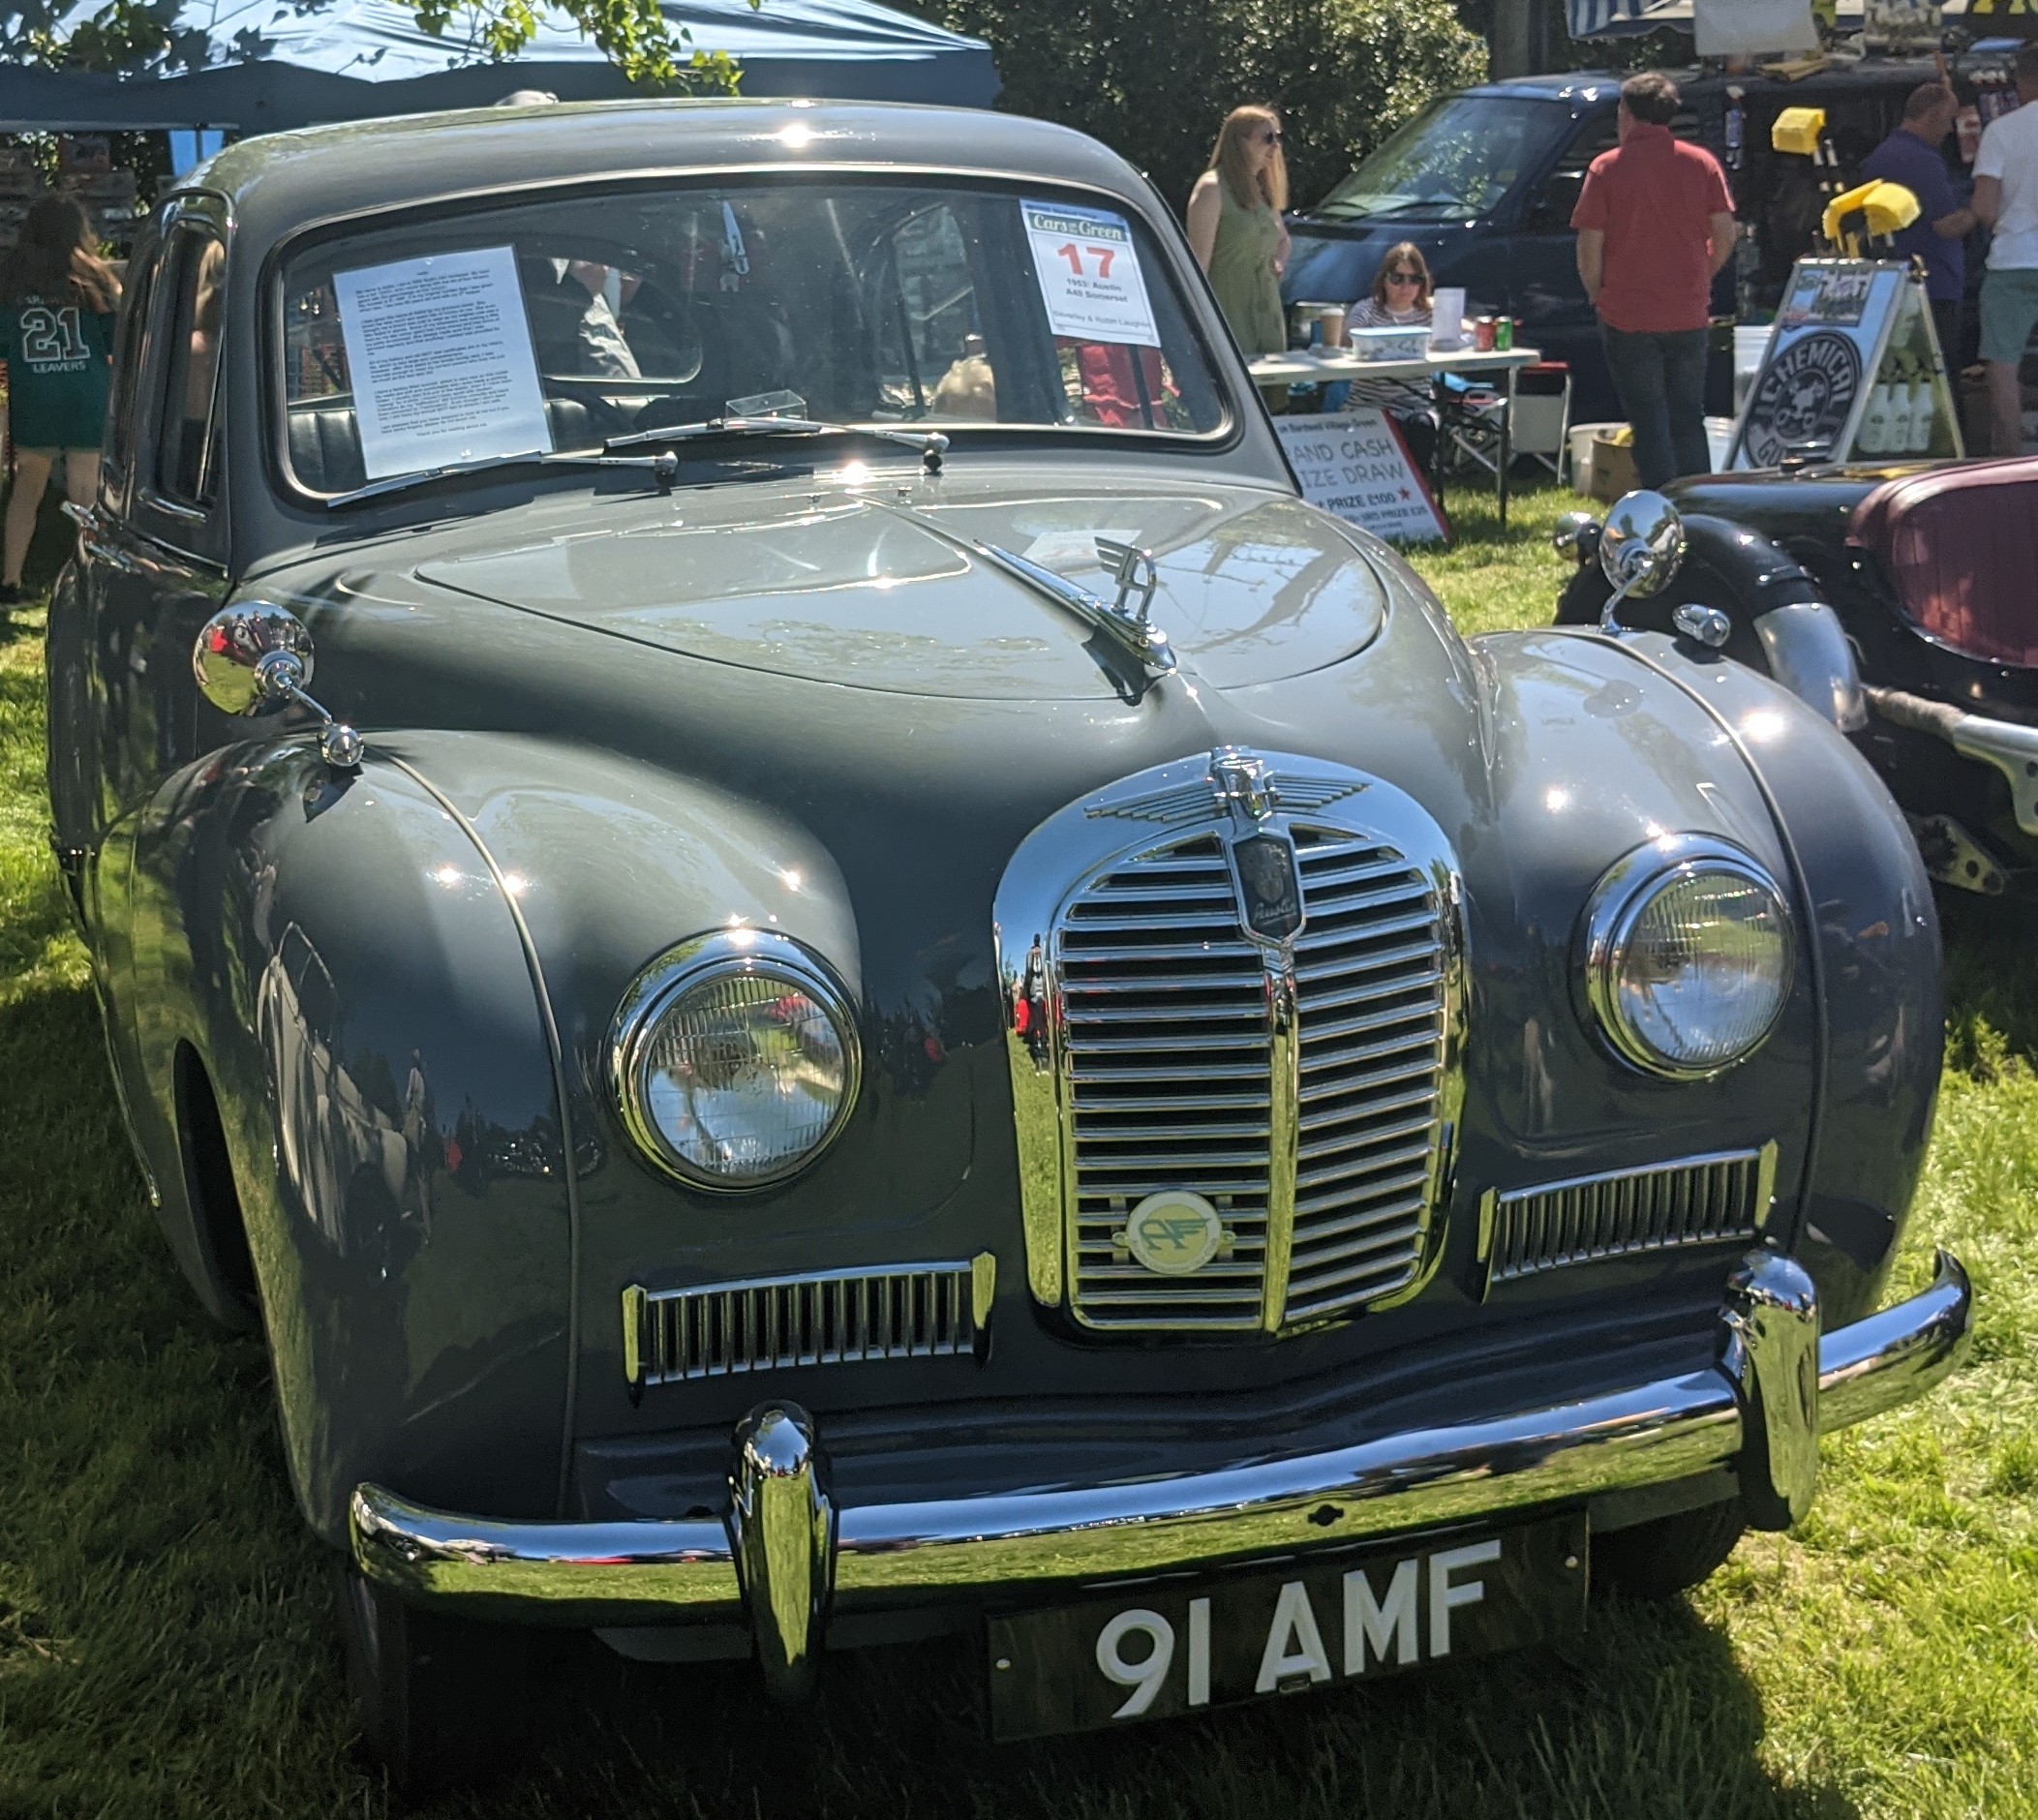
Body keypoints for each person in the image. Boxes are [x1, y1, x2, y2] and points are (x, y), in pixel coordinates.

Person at [1571, 71, 1736, 489]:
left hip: (1628, 313)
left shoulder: (1606, 168)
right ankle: (1700, 500)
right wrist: (1704, 271)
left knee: (1648, 417)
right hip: (1688, 310)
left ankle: (1662, 501)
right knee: (1688, 416)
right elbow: (1725, 232)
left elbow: (1590, 243)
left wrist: (1596, 292)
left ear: (1626, 112)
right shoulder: (1702, 164)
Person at [0, 194, 120, 611]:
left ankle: (10, 580)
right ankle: (89, 576)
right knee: (85, 489)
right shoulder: (94, 277)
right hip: (84, 394)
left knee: (26, 488)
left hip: (34, 396)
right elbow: (113, 339)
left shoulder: (11, 280)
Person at [1862, 83, 1976, 372]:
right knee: (1942, 377)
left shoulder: (1882, 155)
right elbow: (1946, 226)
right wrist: (1980, 210)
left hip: (1895, 282)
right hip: (1931, 285)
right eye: (1949, 119)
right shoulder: (1922, 160)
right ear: (1933, 115)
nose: (1951, 130)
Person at [1972, 46, 2038, 457]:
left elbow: (1982, 207)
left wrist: (2005, 226)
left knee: (2003, 362)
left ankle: (2012, 456)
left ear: (2021, 81)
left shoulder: (2001, 131)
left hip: (2013, 259)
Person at [1186, 106, 1291, 362]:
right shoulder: (1211, 189)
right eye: (1267, 138)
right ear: (1239, 142)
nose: (1275, 147)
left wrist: (1279, 261)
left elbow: (1284, 240)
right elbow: (1197, 269)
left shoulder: (1263, 191)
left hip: (1268, 320)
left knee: (1274, 401)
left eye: (1278, 137)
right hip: (1228, 321)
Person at [1340, 243, 1442, 473]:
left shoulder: (1430, 314)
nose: (1405, 286)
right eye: (1397, 278)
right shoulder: (1367, 309)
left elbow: (1461, 329)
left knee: (1423, 427)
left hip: (1415, 405)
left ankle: (1420, 495)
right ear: (1383, 280)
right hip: (1368, 404)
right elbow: (1347, 337)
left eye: (1413, 279)